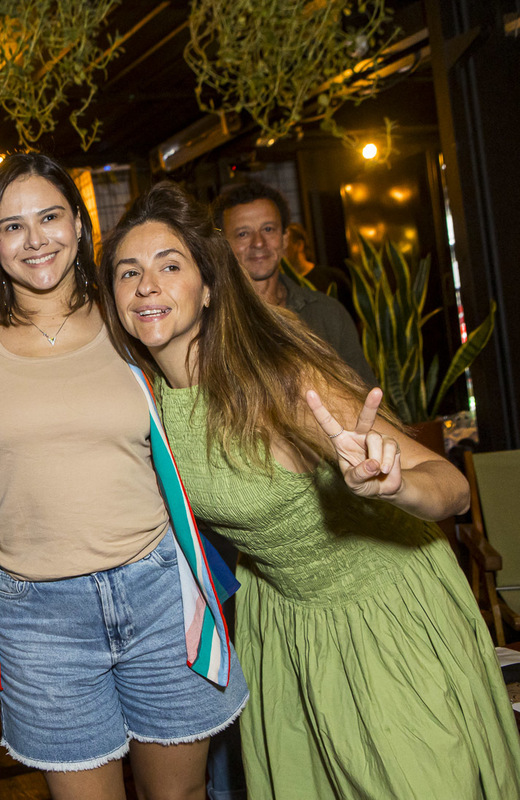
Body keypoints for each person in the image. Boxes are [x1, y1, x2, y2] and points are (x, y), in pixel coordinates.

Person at [101, 181, 520, 800]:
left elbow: (452, 488)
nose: (146, 286)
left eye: (169, 265)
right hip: (282, 620)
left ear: (209, 286)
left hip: (379, 607)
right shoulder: (146, 398)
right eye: (128, 272)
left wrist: (394, 486)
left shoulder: (277, 381)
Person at [0, 152, 246, 800]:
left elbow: (217, 378)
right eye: (13, 226)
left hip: (156, 590)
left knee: (180, 795)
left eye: (50, 217)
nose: (35, 240)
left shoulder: (128, 315)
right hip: (38, 617)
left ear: (79, 226)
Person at [212, 181, 375, 385]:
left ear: (285, 239)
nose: (258, 242)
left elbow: (364, 393)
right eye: (243, 234)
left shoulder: (327, 314)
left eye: (268, 229)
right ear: (223, 245)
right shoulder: (210, 323)